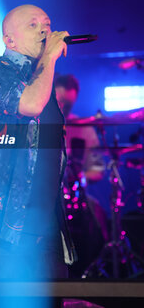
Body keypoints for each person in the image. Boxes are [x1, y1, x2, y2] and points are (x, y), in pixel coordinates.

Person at [0, 5, 76, 282]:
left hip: (45, 225)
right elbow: (30, 104)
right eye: (33, 25)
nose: (45, 30)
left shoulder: (43, 82)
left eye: (47, 23)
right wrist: (49, 57)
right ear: (9, 40)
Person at [55, 74, 109, 277]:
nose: (63, 107)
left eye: (68, 104)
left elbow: (97, 171)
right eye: (60, 101)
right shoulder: (36, 127)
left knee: (96, 215)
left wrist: (78, 178)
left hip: (76, 196)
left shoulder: (84, 129)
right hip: (43, 196)